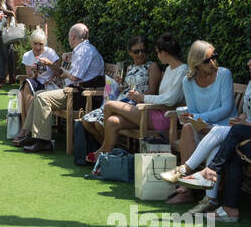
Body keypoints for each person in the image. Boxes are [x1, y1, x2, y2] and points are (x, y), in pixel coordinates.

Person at [162, 43, 251, 213]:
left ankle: (185, 171)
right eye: (208, 60)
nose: (248, 63)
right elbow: (246, 113)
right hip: (239, 131)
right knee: (200, 133)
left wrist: (250, 122)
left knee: (217, 135)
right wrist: (241, 119)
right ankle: (209, 198)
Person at [85, 34, 185, 161]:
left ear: (164, 53)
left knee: (109, 105)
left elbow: (171, 100)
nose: (157, 55)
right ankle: (108, 157)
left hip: (165, 116)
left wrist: (142, 98)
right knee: (112, 121)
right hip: (153, 111)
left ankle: (104, 151)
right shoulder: (170, 69)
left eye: (157, 52)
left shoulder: (182, 70)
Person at [161, 40, 235, 206]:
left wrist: (203, 121)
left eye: (214, 57)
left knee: (213, 145)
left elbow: (227, 108)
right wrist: (194, 120)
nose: (213, 63)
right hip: (202, 128)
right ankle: (186, 190)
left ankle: (207, 197)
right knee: (187, 127)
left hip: (223, 129)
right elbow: (193, 110)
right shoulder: (188, 81)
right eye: (207, 60)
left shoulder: (224, 74)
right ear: (196, 63)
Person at [15, 23, 104, 153]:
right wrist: (70, 57)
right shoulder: (84, 49)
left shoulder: (84, 51)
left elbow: (74, 77)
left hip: (80, 95)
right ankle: (30, 133)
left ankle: (43, 142)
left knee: (42, 97)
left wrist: (63, 70)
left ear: (72, 37)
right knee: (39, 94)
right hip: (74, 91)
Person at [16, 28, 61, 127]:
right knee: (24, 88)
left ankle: (26, 127)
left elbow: (59, 72)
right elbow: (30, 77)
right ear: (31, 43)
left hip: (51, 84)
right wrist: (35, 73)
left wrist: (49, 63)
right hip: (36, 84)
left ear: (45, 43)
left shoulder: (50, 53)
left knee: (23, 91)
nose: (38, 47)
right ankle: (28, 126)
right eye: (35, 43)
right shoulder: (27, 55)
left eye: (41, 44)